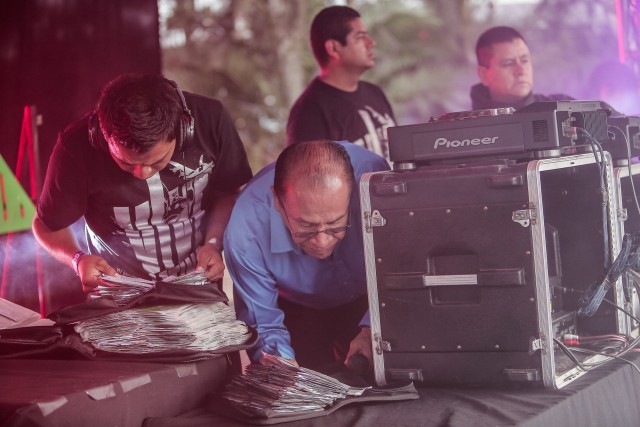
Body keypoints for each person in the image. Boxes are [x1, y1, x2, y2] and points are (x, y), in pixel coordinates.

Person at [32, 73, 252, 292]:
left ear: (183, 132)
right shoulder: (75, 147)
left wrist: (213, 243)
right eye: (126, 163)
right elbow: (45, 226)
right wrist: (77, 259)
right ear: (101, 137)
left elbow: (228, 193)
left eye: (157, 162)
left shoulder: (211, 120)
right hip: (117, 292)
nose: (142, 173)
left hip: (198, 284)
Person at [224, 140, 389, 372]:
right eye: (306, 226)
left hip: (372, 295)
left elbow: (405, 261)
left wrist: (373, 327)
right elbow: (262, 321)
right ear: (277, 200)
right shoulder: (246, 229)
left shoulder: (374, 180)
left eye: (335, 224)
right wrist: (278, 360)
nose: (322, 242)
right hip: (296, 308)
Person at [286, 6, 396, 162]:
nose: (371, 42)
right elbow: (307, 174)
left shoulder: (375, 93)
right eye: (360, 37)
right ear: (333, 48)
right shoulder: (309, 113)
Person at [470, 26, 573, 111]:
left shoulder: (566, 109)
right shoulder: (469, 127)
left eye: (524, 60)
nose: (521, 70)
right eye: (508, 63)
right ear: (483, 75)